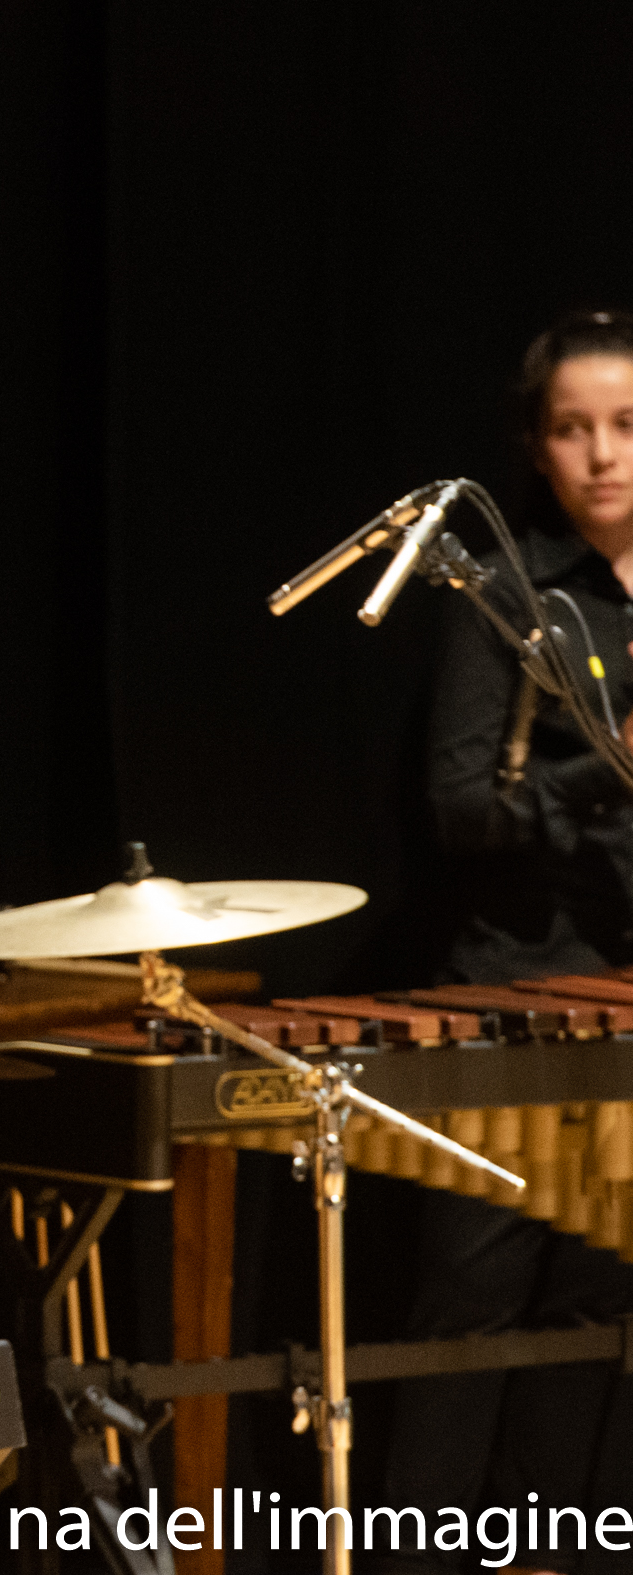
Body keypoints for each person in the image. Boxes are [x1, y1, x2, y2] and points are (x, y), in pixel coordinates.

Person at [379, 310, 633, 1575]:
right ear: (536, 448)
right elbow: (461, 809)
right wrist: (603, 767)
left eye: (625, 425)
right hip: (512, 990)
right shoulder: (506, 595)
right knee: (469, 1311)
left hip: (627, 1002)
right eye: (572, 429)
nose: (602, 453)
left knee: (595, 1306)